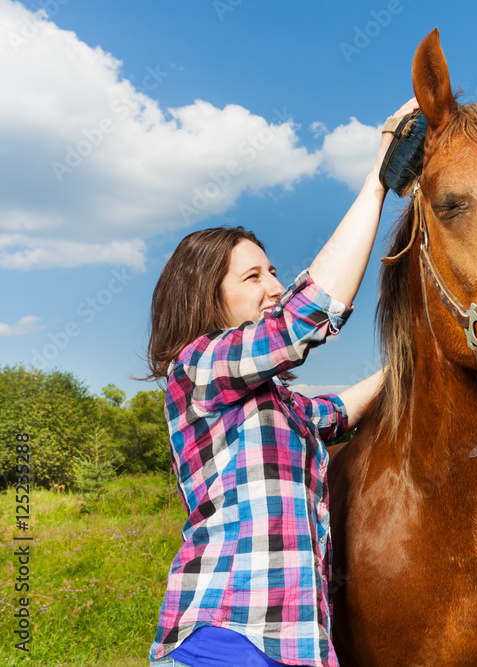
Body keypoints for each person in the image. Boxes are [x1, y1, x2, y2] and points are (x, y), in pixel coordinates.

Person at [145, 99, 420, 667]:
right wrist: (378, 181)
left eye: (273, 271)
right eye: (254, 276)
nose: (273, 285)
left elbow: (339, 412)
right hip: (225, 639)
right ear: (206, 299)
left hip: (300, 646)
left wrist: (413, 358)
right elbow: (302, 318)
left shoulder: (281, 407)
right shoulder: (195, 371)